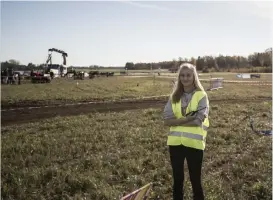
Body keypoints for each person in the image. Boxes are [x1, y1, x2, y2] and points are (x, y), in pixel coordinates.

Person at [163, 63, 209, 200]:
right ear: (179, 77)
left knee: (196, 182)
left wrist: (176, 121)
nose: (185, 78)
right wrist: (186, 119)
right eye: (182, 75)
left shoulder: (201, 96)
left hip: (194, 145)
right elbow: (166, 121)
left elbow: (198, 122)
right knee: (177, 181)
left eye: (188, 75)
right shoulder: (174, 97)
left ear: (194, 77)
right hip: (175, 144)